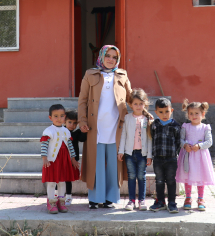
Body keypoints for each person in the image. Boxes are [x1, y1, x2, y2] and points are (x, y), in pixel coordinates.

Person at [78, 45, 132, 209]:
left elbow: (131, 98)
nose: (110, 59)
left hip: (116, 127)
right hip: (95, 127)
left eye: (114, 57)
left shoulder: (122, 75)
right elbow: (82, 100)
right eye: (107, 55)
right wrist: (82, 120)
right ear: (101, 56)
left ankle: (110, 198)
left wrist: (144, 112)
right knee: (96, 162)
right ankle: (95, 198)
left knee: (114, 164)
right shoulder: (90, 74)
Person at [175, 99, 215, 211]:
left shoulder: (205, 128)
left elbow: (209, 142)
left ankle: (200, 198)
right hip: (187, 156)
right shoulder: (185, 127)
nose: (194, 116)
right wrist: (184, 145)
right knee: (188, 177)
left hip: (200, 157)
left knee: (200, 177)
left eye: (196, 113)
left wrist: (200, 145)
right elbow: (181, 140)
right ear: (188, 115)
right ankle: (188, 198)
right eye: (191, 113)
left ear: (202, 114)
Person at [118, 89, 153, 211]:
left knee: (141, 177)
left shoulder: (147, 119)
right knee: (131, 176)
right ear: (130, 104)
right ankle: (131, 201)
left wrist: (149, 155)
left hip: (142, 154)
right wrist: (121, 151)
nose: (138, 106)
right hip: (129, 153)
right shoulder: (127, 118)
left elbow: (149, 139)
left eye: (141, 104)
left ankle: (142, 200)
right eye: (135, 104)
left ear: (145, 104)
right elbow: (123, 135)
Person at [40, 104, 80, 214]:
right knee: (52, 182)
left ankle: (61, 202)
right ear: (50, 118)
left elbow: (70, 146)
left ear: (65, 117)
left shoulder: (66, 131)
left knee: (62, 181)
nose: (59, 119)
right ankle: (51, 202)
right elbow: (44, 145)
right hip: (52, 160)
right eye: (56, 116)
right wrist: (44, 158)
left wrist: (73, 159)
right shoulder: (48, 131)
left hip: (64, 160)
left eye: (62, 116)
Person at [149, 98, 181, 213]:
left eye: (167, 111)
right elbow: (152, 139)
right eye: (161, 112)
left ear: (171, 110)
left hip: (171, 159)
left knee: (171, 180)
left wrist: (174, 154)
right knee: (159, 180)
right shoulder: (154, 125)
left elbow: (178, 142)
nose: (164, 114)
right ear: (156, 112)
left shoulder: (175, 126)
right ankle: (160, 202)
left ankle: (172, 203)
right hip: (157, 159)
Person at [55, 110, 87, 205]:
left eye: (74, 123)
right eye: (69, 122)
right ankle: (56, 195)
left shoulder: (76, 133)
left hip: (72, 160)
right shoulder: (60, 130)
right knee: (59, 178)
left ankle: (68, 196)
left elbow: (82, 138)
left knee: (68, 179)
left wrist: (83, 130)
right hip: (61, 159)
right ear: (64, 121)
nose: (72, 125)